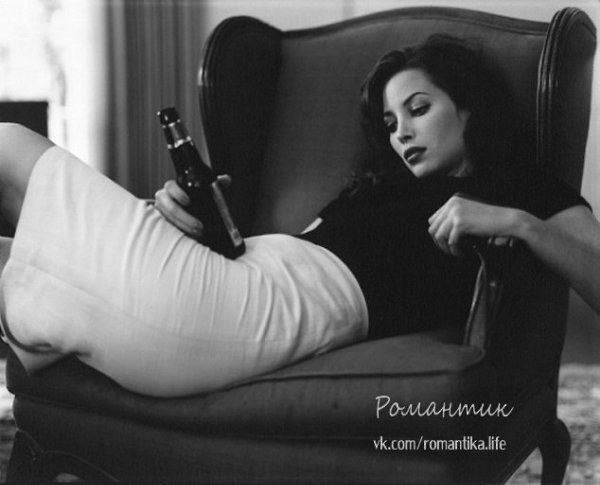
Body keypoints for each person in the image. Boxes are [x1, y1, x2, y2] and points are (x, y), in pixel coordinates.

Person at [0, 35, 598, 398]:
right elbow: (266, 257)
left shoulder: (518, 191)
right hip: (236, 285)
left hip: (245, 315)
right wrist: (192, 222)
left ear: (467, 108)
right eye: (390, 123)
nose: (401, 133)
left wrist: (519, 223)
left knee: (7, 147)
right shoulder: (376, 192)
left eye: (418, 109)